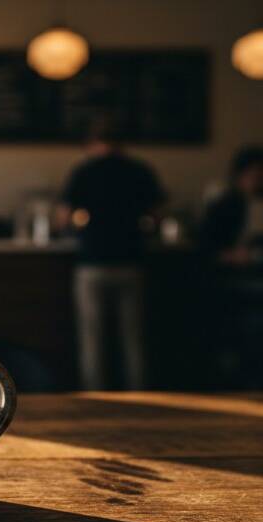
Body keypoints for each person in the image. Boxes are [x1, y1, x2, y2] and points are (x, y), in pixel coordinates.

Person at [58, 122, 164, 390]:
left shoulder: (84, 171)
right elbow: (157, 215)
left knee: (93, 340)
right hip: (131, 261)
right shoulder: (139, 171)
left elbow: (63, 218)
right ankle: (140, 395)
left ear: (92, 143)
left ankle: (96, 397)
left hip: (92, 263)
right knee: (135, 340)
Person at [199, 146, 263, 271]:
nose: (259, 181)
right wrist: (227, 255)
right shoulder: (225, 205)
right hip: (228, 270)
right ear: (239, 178)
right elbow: (205, 242)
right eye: (252, 175)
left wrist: (255, 255)